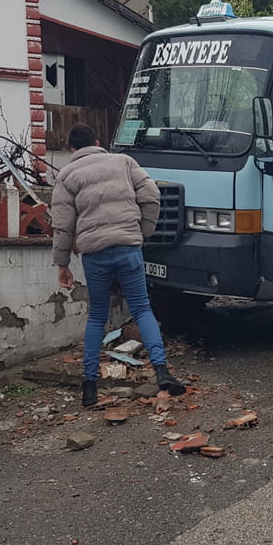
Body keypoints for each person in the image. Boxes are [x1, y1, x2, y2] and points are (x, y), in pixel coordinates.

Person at [50, 124, 187, 407]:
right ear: (98, 142)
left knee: (97, 316)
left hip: (95, 254)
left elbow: (62, 226)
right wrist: (142, 233)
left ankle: (90, 386)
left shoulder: (66, 176)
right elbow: (152, 195)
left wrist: (62, 264)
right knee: (141, 308)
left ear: (71, 149)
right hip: (128, 248)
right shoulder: (124, 162)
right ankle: (162, 371)